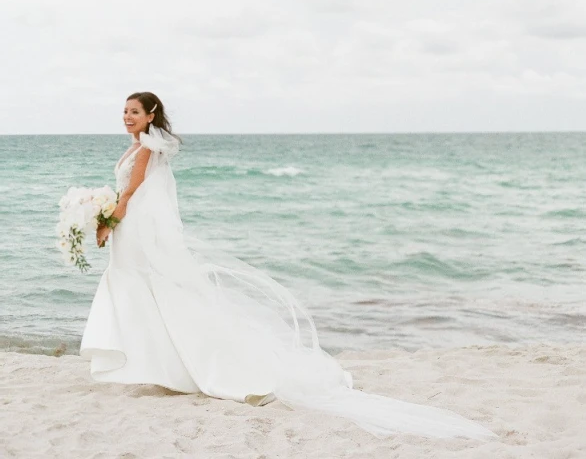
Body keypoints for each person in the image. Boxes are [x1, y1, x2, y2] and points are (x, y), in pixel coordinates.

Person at [80, 91, 496, 440]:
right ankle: (147, 360)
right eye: (124, 112)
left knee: (150, 292)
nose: (127, 117)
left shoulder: (146, 150)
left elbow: (129, 195)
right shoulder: (137, 147)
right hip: (131, 232)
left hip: (131, 231)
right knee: (143, 292)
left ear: (151, 116)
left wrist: (105, 225)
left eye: (134, 112)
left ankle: (170, 363)